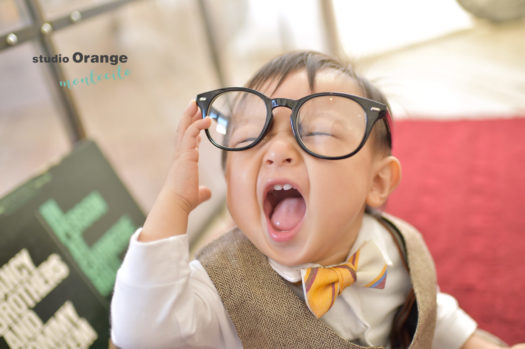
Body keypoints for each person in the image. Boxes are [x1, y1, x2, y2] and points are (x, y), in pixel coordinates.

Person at [110, 51, 524, 348]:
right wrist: (174, 202)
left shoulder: (392, 245)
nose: (276, 151)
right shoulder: (216, 288)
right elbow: (141, 332)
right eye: (250, 136)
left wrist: (469, 340)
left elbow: (423, 310)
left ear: (377, 183)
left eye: (318, 133)